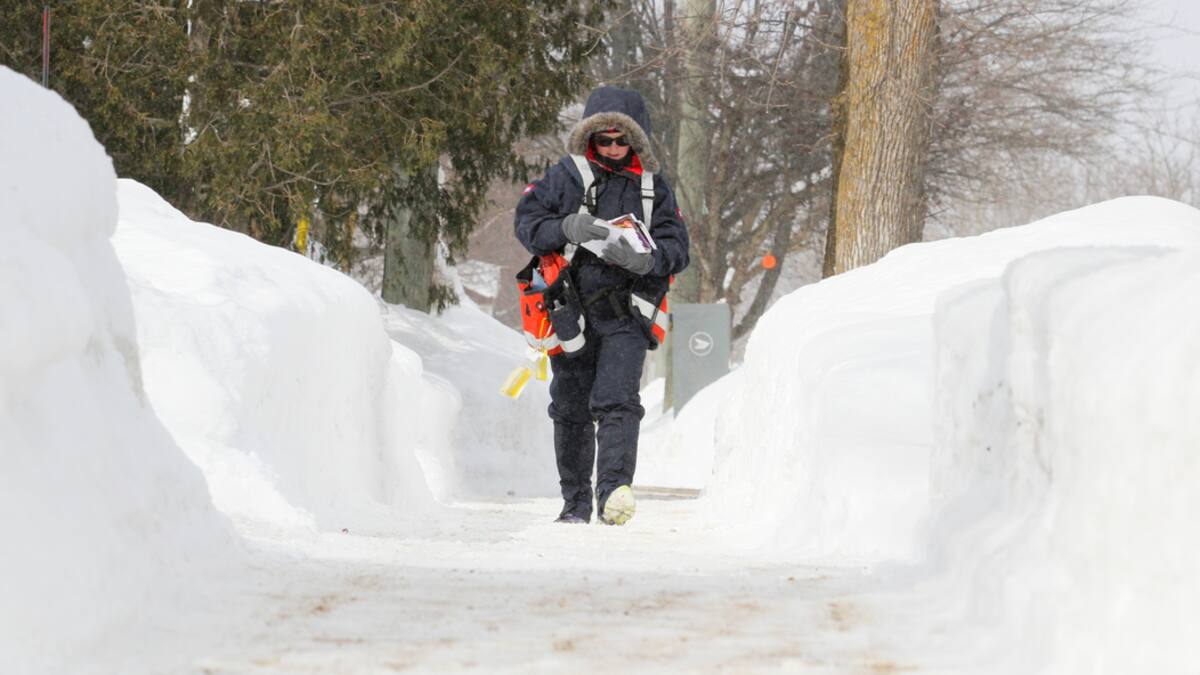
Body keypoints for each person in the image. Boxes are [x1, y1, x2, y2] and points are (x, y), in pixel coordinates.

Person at [514, 86, 690, 525]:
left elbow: (677, 246)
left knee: (617, 400)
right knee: (570, 405)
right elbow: (528, 223)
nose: (612, 148)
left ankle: (613, 493)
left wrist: (648, 259)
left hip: (627, 312)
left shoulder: (654, 188)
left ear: (637, 139)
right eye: (603, 139)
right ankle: (574, 503)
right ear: (589, 137)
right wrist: (566, 227)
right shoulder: (565, 176)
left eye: (621, 139)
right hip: (568, 309)